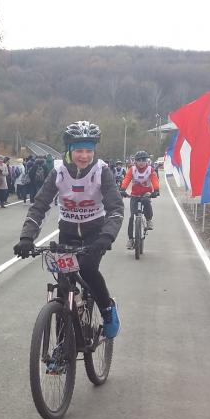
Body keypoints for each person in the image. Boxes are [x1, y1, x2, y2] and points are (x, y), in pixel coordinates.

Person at [14, 121, 123, 340]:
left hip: (95, 234)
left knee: (88, 270)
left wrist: (107, 236)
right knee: (64, 284)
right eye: (79, 150)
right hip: (68, 234)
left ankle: (107, 309)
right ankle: (62, 347)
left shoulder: (102, 171)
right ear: (69, 150)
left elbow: (116, 209)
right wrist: (26, 237)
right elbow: (40, 206)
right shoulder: (59, 172)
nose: (84, 155)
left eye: (89, 150)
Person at [119, 150, 160, 248]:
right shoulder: (132, 170)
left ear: (147, 161)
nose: (141, 162)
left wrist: (156, 190)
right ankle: (130, 239)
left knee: (146, 201)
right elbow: (127, 179)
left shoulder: (150, 170)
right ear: (135, 161)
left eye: (143, 160)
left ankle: (149, 220)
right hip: (135, 195)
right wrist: (122, 189)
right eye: (139, 160)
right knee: (132, 217)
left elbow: (154, 180)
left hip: (146, 194)